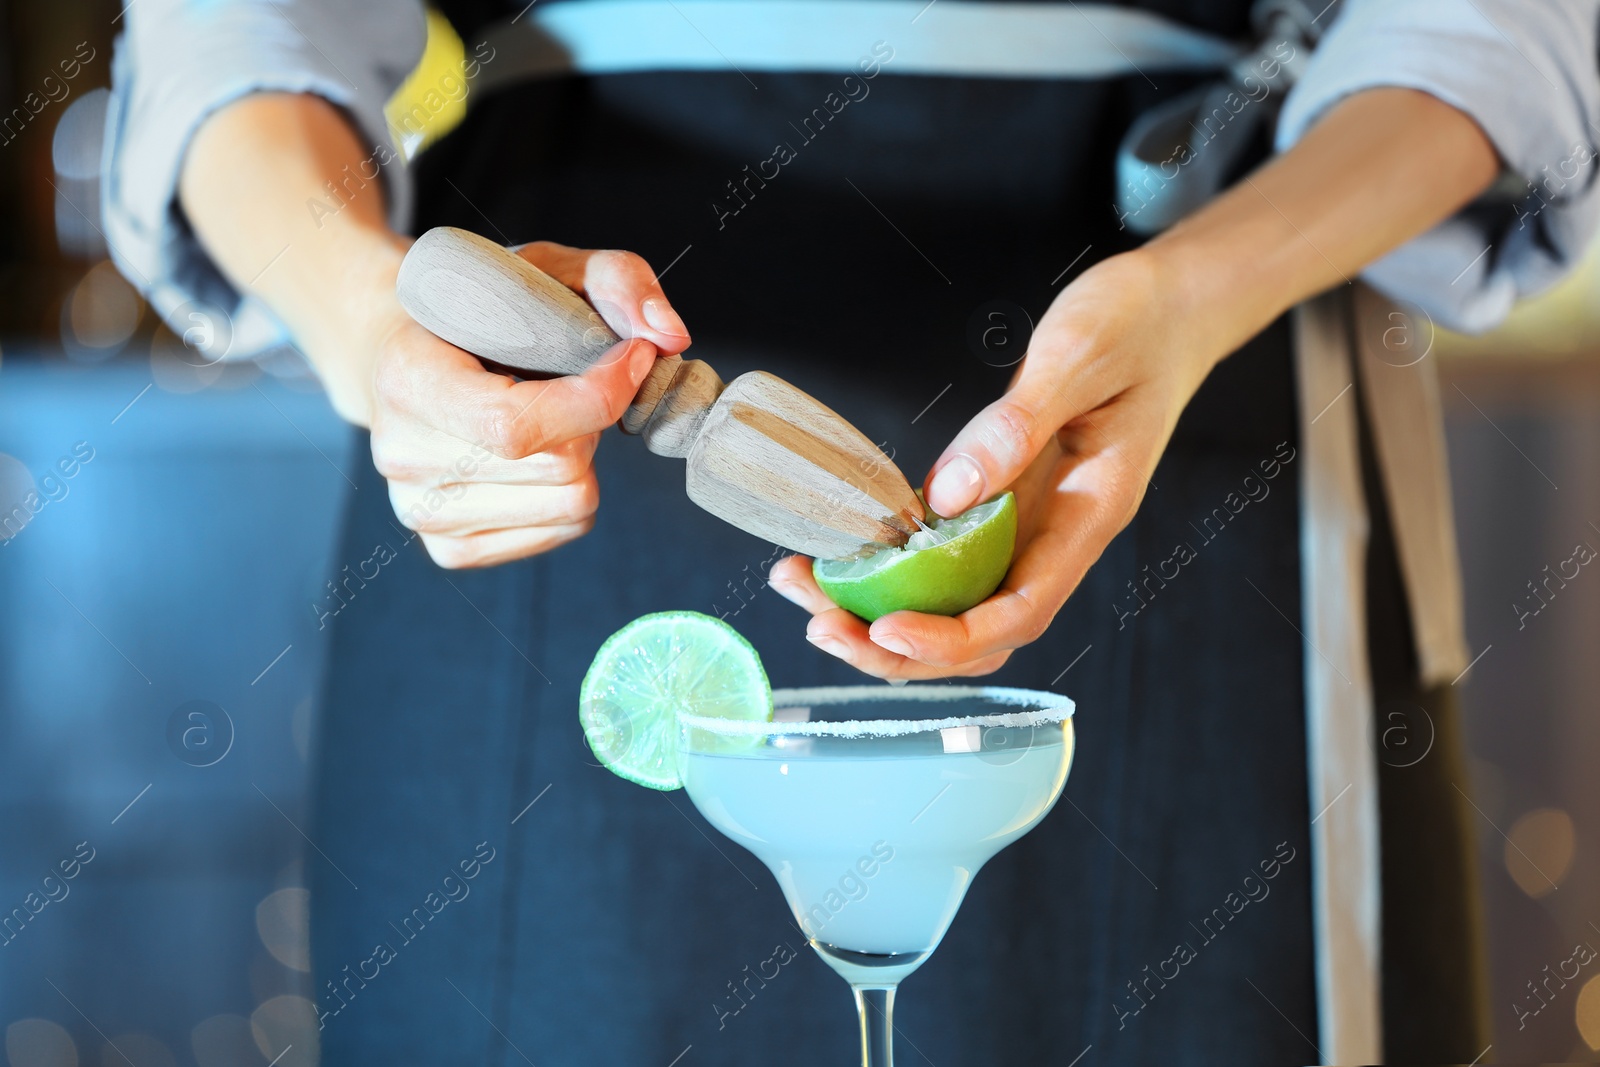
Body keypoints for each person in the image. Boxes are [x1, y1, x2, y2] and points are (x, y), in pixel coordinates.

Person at [107, 0, 1599, 1062]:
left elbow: (1492, 23)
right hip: (542, 437)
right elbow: (234, 28)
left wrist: (1203, 292)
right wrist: (368, 320)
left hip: (1190, 390)